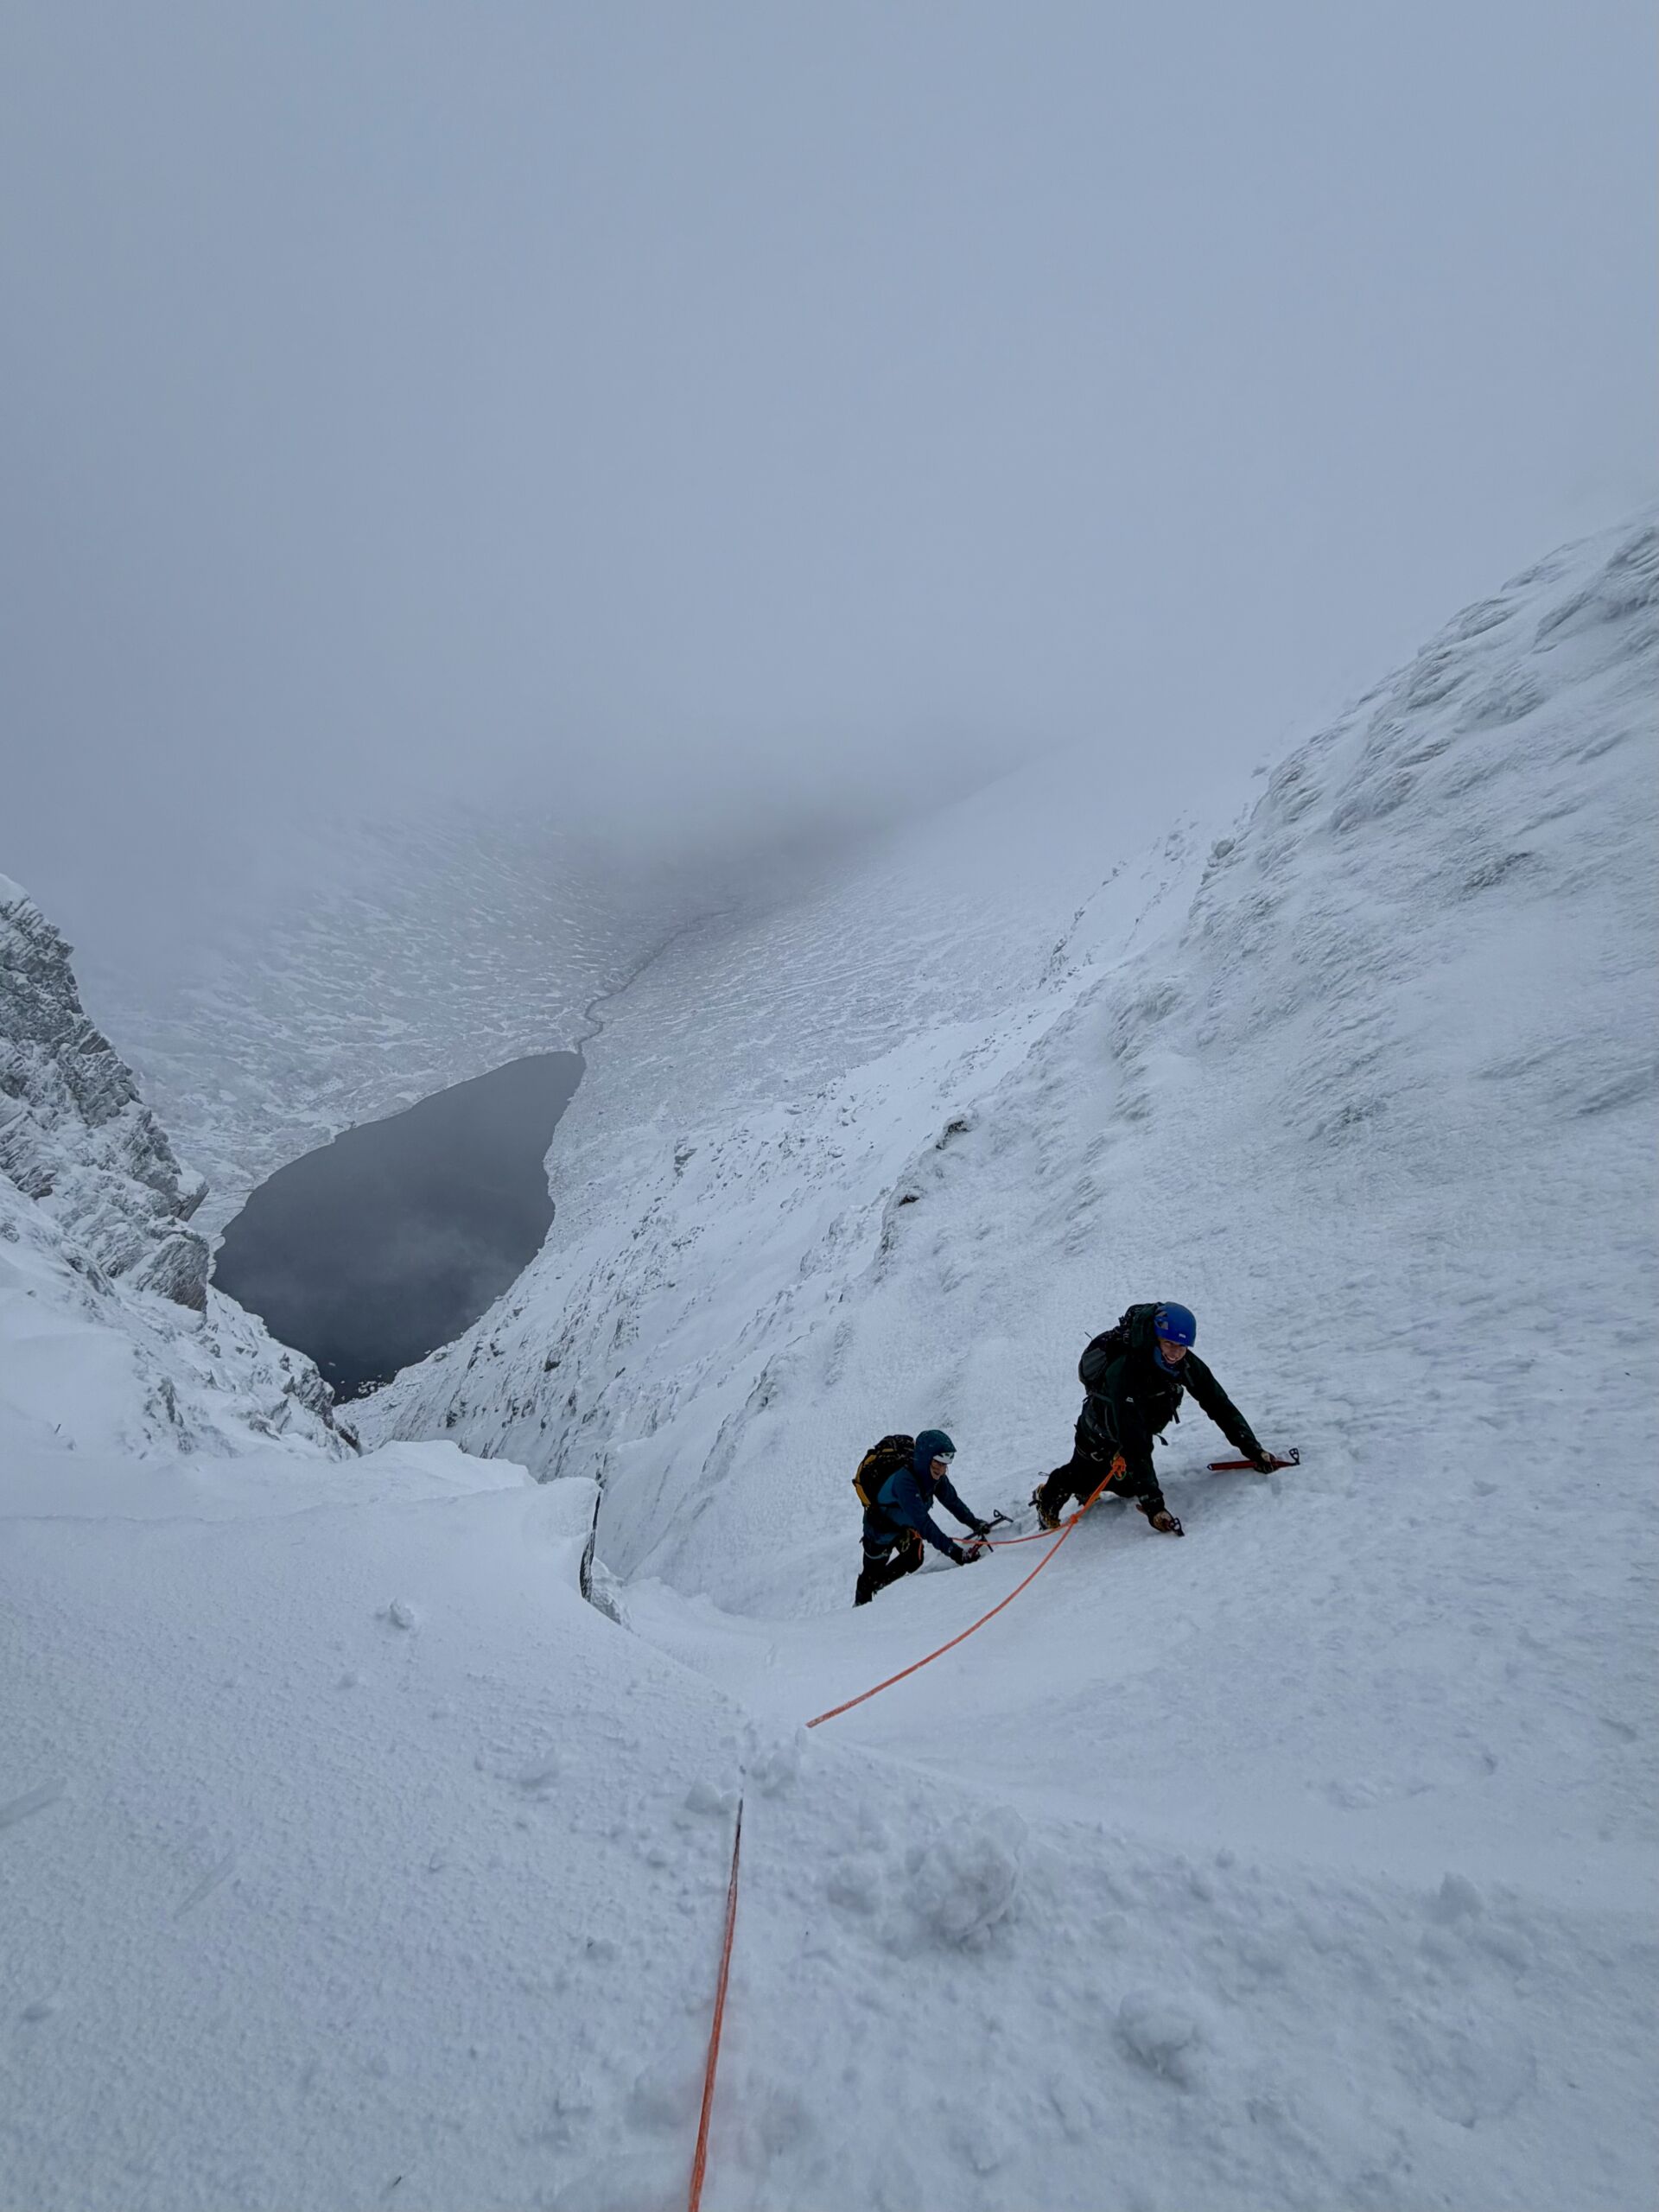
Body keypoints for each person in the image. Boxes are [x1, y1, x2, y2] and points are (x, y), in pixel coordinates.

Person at [1032, 1301, 1272, 1539]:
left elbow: (1218, 1403)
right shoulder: (1126, 1371)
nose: (1175, 1352)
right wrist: (1154, 1506)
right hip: (1097, 1436)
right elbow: (1135, 1443)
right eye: (1169, 1343)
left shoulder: (1184, 1364)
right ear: (1154, 1337)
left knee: (1127, 1488)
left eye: (1182, 1345)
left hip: (1129, 1434)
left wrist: (1252, 1449)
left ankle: (1093, 1488)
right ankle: (1047, 1499)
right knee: (1079, 1477)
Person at [855, 1428, 993, 1605]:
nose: (942, 1469)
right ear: (926, 1459)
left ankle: (879, 1590)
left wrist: (975, 1523)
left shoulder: (932, 1475)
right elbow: (924, 1524)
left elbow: (952, 1501)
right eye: (938, 1463)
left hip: (904, 1528)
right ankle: (860, 1606)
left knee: (914, 1559)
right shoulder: (904, 1482)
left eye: (946, 1464)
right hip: (880, 1532)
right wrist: (956, 1553)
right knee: (871, 1576)